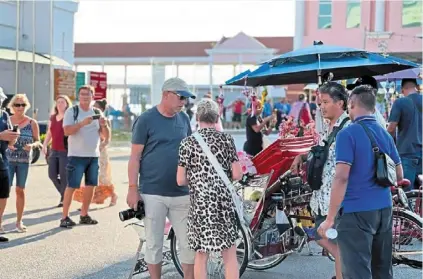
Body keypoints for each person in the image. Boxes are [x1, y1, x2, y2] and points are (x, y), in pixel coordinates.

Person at [318, 85, 404, 279]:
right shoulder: (384, 134)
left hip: (355, 212)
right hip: (384, 209)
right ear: (373, 108)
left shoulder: (347, 134)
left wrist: (330, 218)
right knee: (382, 270)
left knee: (357, 271)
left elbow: (341, 177)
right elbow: (399, 174)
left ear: (351, 104)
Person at [127, 77, 196, 279]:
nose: (184, 102)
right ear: (166, 94)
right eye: (181, 97)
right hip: (152, 193)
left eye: (186, 98)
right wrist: (132, 188)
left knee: (189, 245)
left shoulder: (183, 119)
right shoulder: (146, 119)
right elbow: (134, 157)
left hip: (182, 193)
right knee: (154, 244)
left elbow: (190, 154)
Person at [177, 98, 242, 279]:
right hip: (223, 205)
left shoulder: (187, 143)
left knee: (201, 255)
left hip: (200, 205)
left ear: (197, 117)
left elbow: (180, 179)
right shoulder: (227, 139)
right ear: (217, 117)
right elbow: (237, 175)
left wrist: (199, 180)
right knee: (229, 254)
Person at [290, 82, 349, 279]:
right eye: (319, 103)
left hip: (337, 196)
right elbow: (320, 149)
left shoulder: (347, 128)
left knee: (334, 240)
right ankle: (341, 272)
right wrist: (302, 156)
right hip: (323, 195)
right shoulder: (330, 126)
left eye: (325, 102)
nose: (321, 107)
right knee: (321, 234)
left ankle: (343, 273)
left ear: (340, 103)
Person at [60, 85, 111, 228]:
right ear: (78, 96)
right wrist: (82, 123)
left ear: (92, 96)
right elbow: (67, 131)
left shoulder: (97, 112)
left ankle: (84, 215)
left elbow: (105, 136)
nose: (85, 97)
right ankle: (64, 217)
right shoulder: (72, 111)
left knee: (91, 186)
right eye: (82, 94)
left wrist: (104, 125)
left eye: (88, 94)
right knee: (72, 186)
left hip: (93, 156)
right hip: (76, 155)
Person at [6, 94, 41, 233]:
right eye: (17, 105)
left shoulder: (32, 122)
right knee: (3, 191)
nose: (20, 108)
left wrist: (32, 145)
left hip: (23, 161)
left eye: (23, 105)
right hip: (7, 160)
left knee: (20, 190)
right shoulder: (6, 120)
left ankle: (19, 221)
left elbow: (38, 141)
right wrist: (7, 145)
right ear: (12, 106)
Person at [73, 99, 118, 206]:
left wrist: (102, 145)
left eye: (96, 107)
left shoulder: (104, 120)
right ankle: (88, 202)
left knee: (103, 177)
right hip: (88, 151)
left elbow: (107, 138)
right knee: (89, 178)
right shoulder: (88, 120)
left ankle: (113, 195)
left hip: (100, 152)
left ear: (101, 109)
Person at [388, 78, 422, 191]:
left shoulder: (400, 102)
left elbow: (391, 128)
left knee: (406, 192)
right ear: (416, 87)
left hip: (406, 153)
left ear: (403, 90)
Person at [42, 95, 72, 207]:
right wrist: (44, 145)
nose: (60, 104)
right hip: (54, 150)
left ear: (67, 104)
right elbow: (50, 133)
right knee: (52, 175)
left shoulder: (69, 117)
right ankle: (65, 195)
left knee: (64, 176)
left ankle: (64, 199)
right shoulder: (53, 117)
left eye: (62, 102)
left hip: (65, 150)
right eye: (58, 102)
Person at [0, 88, 19, 242]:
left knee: (3, 195)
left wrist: (13, 137)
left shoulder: (5, 115)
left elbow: (10, 141)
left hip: (3, 160)